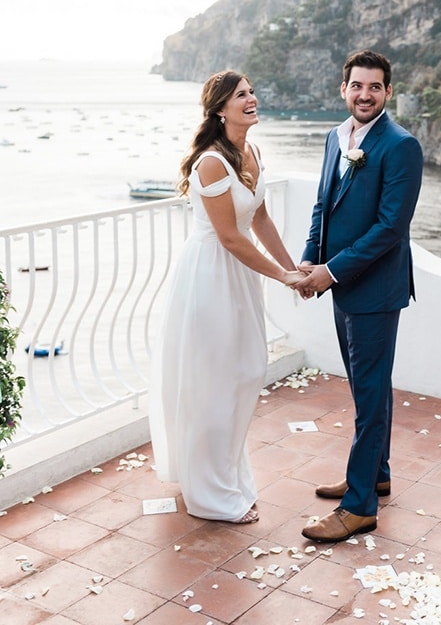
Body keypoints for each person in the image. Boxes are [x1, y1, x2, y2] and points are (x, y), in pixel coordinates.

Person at [149, 69, 299, 524]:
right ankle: (210, 496)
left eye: (252, 91)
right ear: (219, 109)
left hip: (240, 279)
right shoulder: (212, 163)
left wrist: (292, 269)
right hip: (210, 277)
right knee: (214, 384)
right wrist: (281, 277)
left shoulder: (251, 151)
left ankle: (225, 476)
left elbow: (261, 221)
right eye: (240, 95)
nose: (251, 98)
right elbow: (231, 238)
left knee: (246, 372)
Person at [295, 49, 423, 542]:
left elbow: (392, 228)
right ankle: (376, 473)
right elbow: (323, 205)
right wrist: (310, 258)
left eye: (374, 87)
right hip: (339, 284)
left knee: (369, 396)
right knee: (364, 388)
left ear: (388, 92)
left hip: (375, 289)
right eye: (356, 86)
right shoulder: (335, 137)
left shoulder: (400, 145)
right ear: (343, 89)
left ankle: (359, 505)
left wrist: (331, 272)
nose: (364, 94)